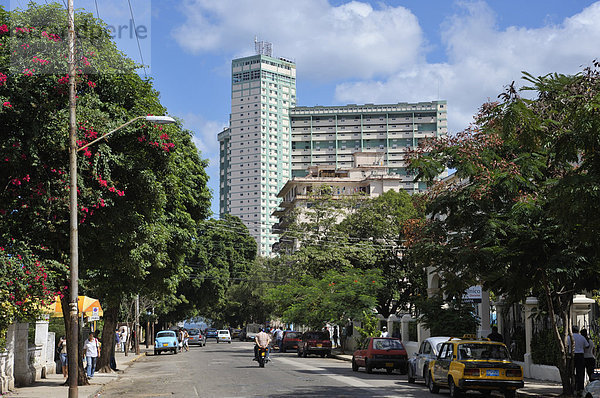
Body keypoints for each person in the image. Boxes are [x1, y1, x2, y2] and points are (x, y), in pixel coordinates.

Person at [567, 325, 589, 395]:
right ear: (578, 330)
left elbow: (566, 345)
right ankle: (580, 388)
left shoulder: (569, 337)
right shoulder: (581, 337)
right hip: (580, 355)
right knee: (580, 372)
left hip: (572, 355)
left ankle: (572, 387)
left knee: (571, 371)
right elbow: (587, 346)